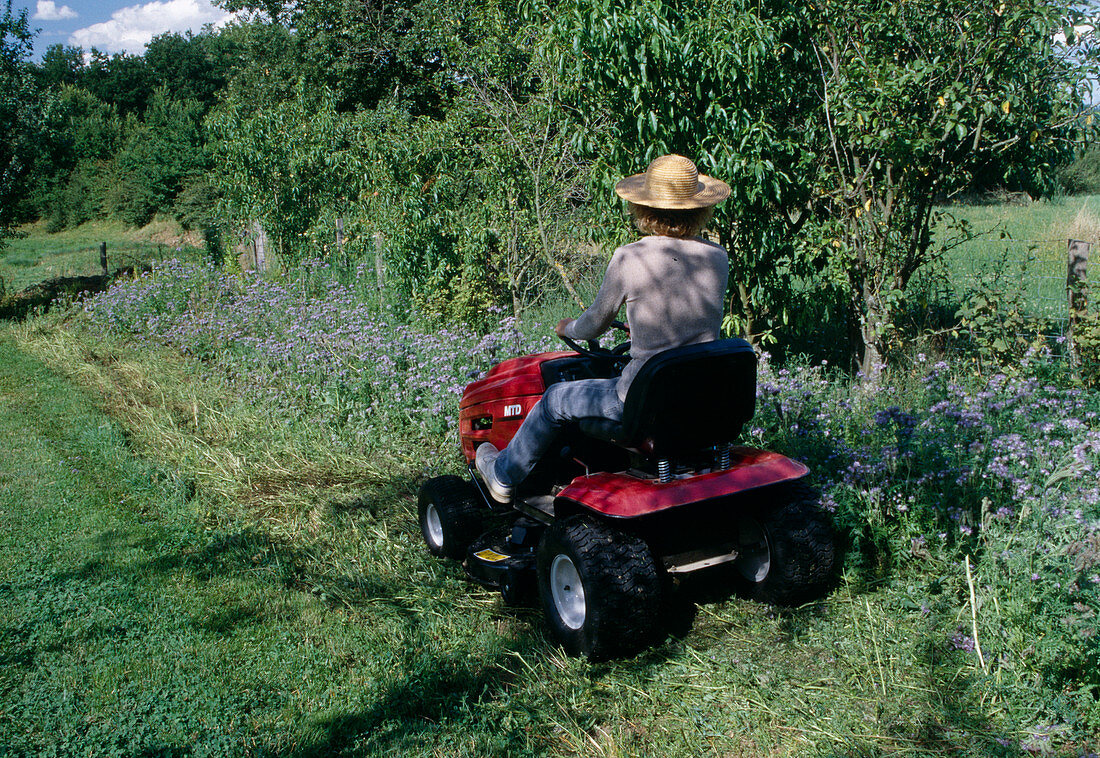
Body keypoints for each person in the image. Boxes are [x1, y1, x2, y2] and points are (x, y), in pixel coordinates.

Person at [476, 154, 730, 503]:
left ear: (644, 208)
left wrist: (570, 328)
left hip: (640, 401)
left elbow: (595, 322)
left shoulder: (631, 257)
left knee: (554, 400)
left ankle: (504, 475)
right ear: (700, 209)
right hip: (698, 395)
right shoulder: (716, 256)